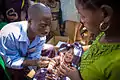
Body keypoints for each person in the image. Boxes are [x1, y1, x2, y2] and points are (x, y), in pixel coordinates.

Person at [57, 0, 120, 80]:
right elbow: (96, 49)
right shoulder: (104, 34)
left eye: (83, 16)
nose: (81, 21)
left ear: (105, 14)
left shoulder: (117, 65)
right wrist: (73, 51)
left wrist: (76, 78)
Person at [0, 3, 52, 80]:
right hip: (10, 63)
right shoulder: (10, 35)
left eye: (49, 25)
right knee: (19, 74)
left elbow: (34, 56)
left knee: (50, 49)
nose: (47, 30)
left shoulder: (41, 35)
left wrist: (36, 66)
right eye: (43, 26)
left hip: (25, 59)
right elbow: (11, 62)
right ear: (30, 21)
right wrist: (34, 63)